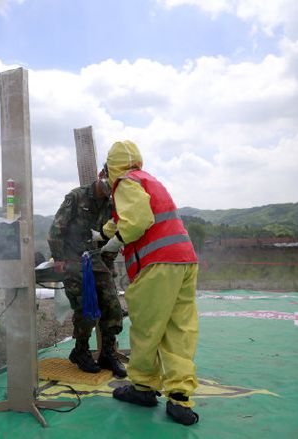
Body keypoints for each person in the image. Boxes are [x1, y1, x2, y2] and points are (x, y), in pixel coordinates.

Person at [99, 140, 200, 426]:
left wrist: (115, 242)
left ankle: (143, 388)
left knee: (147, 327)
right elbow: (130, 215)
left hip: (158, 265)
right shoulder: (147, 180)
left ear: (112, 166)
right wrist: (104, 233)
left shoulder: (124, 183)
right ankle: (180, 398)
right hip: (185, 260)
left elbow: (137, 220)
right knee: (179, 328)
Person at [47, 174, 126, 378]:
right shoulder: (76, 196)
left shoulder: (110, 204)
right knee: (86, 307)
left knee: (112, 306)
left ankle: (107, 353)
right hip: (73, 260)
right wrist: (59, 259)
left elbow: (110, 235)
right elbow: (56, 229)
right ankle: (81, 351)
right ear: (101, 176)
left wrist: (109, 265)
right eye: (110, 180)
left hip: (97, 260)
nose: (111, 187)